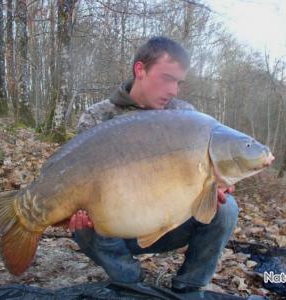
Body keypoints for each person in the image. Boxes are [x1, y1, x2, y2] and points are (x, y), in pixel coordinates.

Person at [67, 36, 239, 293]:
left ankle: (190, 286)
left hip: (168, 222)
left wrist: (213, 188)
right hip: (118, 226)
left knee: (226, 209)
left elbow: (203, 175)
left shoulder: (185, 116)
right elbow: (77, 179)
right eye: (168, 79)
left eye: (178, 82)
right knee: (82, 224)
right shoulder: (97, 116)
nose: (174, 91)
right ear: (140, 70)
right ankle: (129, 281)